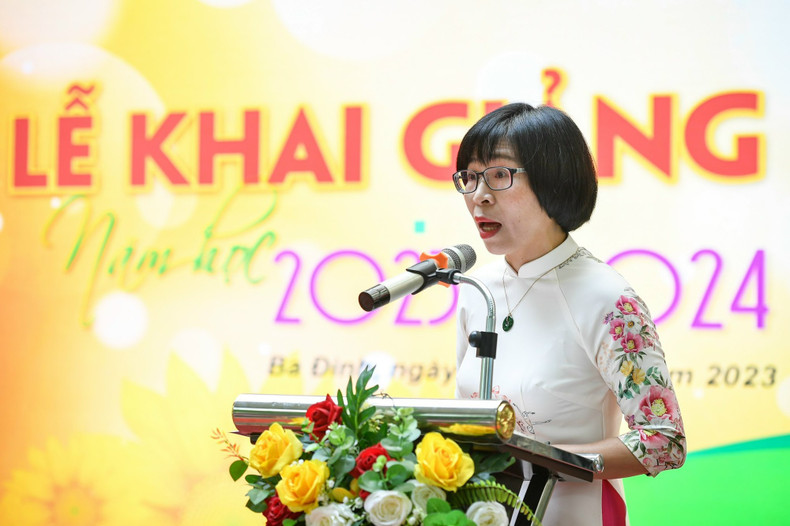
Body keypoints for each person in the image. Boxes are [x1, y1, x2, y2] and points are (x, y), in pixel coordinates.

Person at [453, 103, 686, 526]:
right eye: (469, 177)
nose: (478, 195)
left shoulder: (609, 298)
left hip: (575, 513)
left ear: (553, 182)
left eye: (499, 175)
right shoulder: (477, 289)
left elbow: (664, 441)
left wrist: (543, 465)